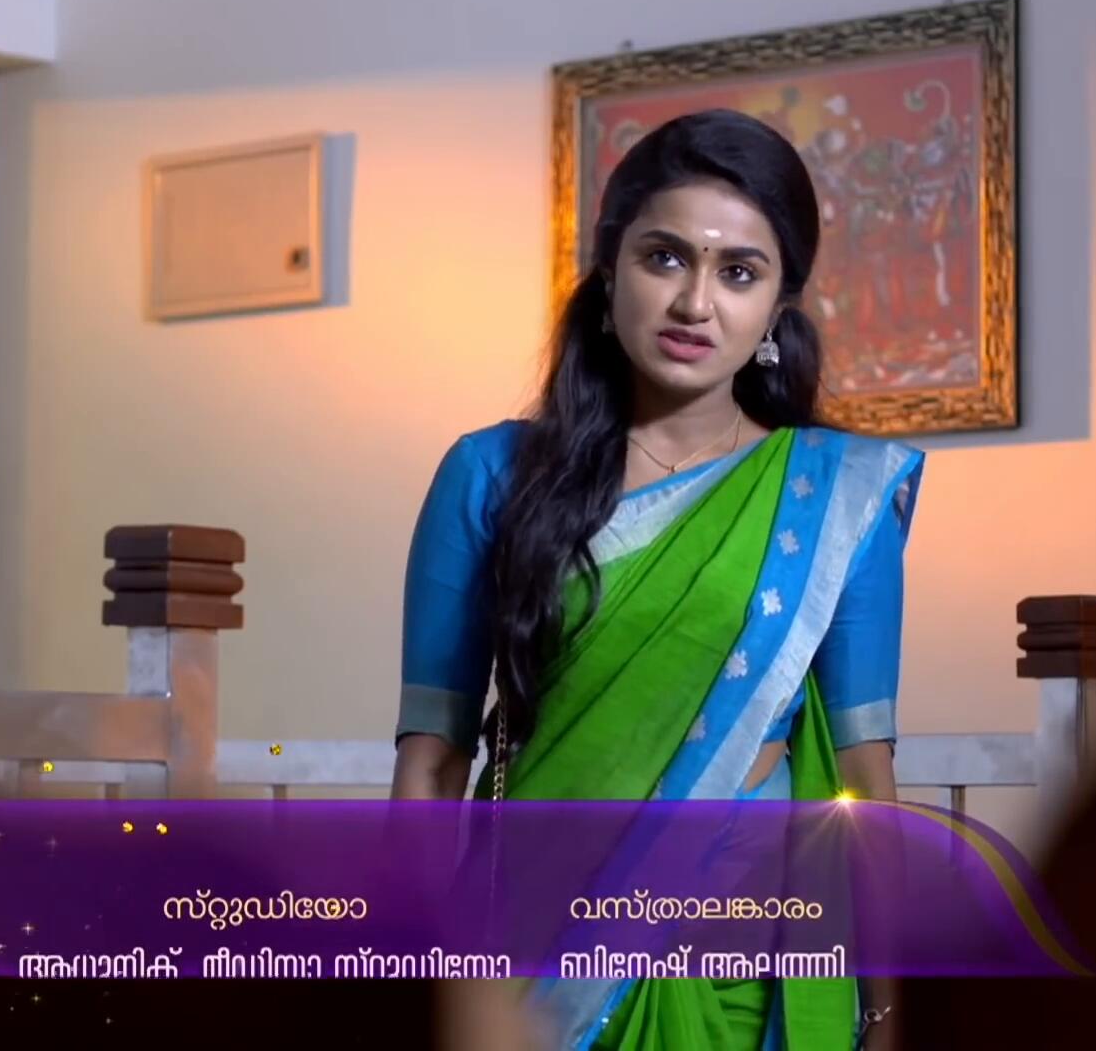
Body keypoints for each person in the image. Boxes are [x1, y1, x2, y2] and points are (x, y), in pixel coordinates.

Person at [390, 108, 922, 1050]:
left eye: (739, 272)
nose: (695, 303)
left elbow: (863, 777)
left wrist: (885, 1015)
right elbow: (431, 761)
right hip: (525, 957)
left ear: (777, 309)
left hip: (742, 957)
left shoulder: (833, 495)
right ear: (609, 275)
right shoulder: (491, 475)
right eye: (665, 258)